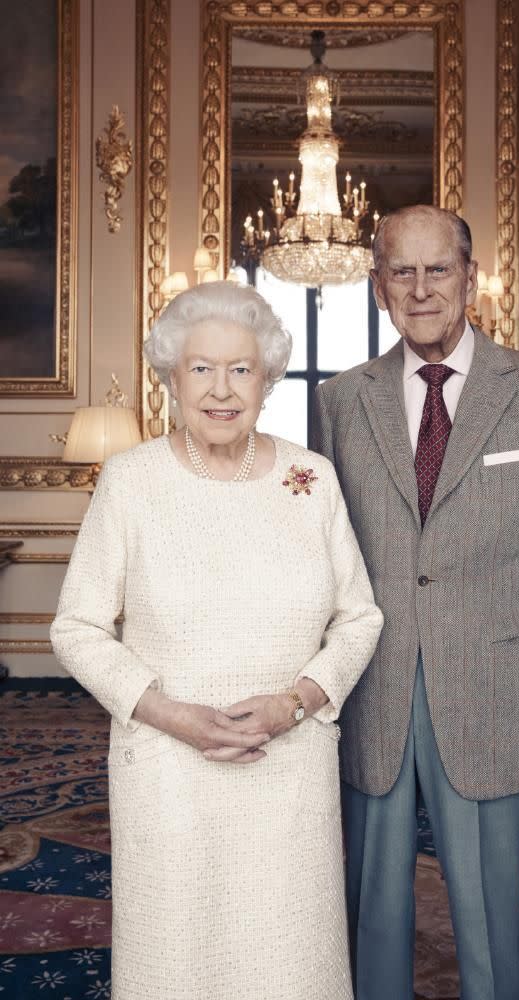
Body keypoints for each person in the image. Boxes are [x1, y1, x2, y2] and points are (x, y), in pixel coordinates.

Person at [50, 281, 383, 1000]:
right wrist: (173, 715)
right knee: (178, 957)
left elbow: (360, 618)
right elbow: (76, 628)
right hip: (168, 772)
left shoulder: (311, 479)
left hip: (288, 765)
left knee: (290, 956)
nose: (221, 390)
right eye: (201, 368)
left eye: (241, 369)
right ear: (170, 377)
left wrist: (295, 704)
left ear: (268, 378)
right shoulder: (131, 481)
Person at [312, 204, 519, 1000]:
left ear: (470, 277)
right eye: (402, 270)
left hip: (494, 681)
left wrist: (495, 628)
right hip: (376, 683)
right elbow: (330, 544)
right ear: (377, 287)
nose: (422, 287)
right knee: (370, 902)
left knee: (491, 907)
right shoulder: (340, 402)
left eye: (439, 269)